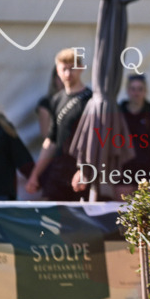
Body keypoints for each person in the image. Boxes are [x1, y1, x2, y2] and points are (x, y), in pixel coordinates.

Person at [26, 49, 93, 200]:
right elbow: (51, 141)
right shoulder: (56, 100)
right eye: (64, 69)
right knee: (47, 216)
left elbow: (96, 140)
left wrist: (85, 170)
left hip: (80, 172)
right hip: (58, 171)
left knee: (81, 222)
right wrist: (35, 175)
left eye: (72, 68)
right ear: (58, 71)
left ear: (81, 69)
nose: (68, 74)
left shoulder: (91, 100)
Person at [117, 74, 150, 197]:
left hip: (147, 173)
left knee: (149, 212)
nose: (136, 93)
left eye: (140, 89)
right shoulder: (118, 115)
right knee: (121, 211)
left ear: (145, 91)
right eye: (133, 89)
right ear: (128, 91)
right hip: (123, 173)